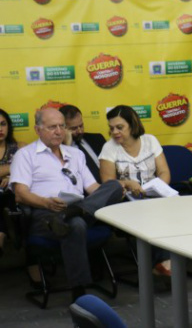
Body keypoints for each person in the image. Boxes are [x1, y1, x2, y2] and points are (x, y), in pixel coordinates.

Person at [9, 109, 123, 299]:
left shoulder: (75, 154)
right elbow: (20, 194)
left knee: (114, 186)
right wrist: (46, 203)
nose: (59, 131)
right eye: (52, 127)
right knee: (76, 224)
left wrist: (107, 194)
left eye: (62, 126)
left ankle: (75, 212)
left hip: (79, 209)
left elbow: (93, 187)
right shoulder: (26, 155)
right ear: (38, 129)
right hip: (45, 215)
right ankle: (79, 290)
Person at [98, 105, 172, 276]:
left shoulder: (150, 141)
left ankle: (164, 263)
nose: (115, 132)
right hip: (126, 200)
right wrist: (128, 183)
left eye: (120, 127)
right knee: (151, 213)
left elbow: (164, 172)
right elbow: (107, 182)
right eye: (111, 128)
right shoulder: (109, 148)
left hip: (153, 195)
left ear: (132, 125)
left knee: (170, 210)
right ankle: (164, 263)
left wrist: (159, 187)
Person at [59, 105, 107, 183]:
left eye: (81, 126)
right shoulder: (57, 149)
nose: (80, 131)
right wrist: (67, 146)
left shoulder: (97, 139)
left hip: (107, 187)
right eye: (73, 128)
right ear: (63, 128)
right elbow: (64, 177)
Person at [0, 108, 24, 257]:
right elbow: (22, 167)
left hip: (14, 194)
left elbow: (34, 169)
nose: (0, 129)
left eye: (3, 124)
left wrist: (11, 177)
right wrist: (15, 167)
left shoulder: (20, 147)